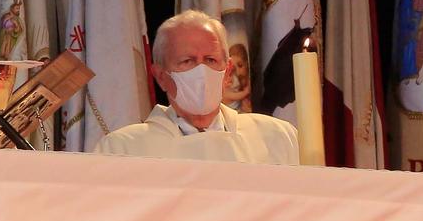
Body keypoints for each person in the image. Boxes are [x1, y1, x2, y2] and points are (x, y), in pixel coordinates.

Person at [95, 11, 298, 164]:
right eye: (188, 61)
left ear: (227, 72)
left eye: (210, 60)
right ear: (160, 77)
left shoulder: (278, 138)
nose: (202, 71)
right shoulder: (122, 150)